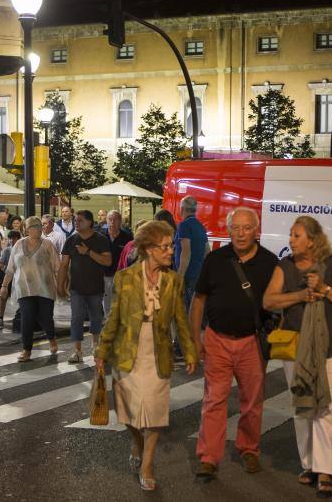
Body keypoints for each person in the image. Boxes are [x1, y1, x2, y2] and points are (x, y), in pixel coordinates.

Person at [95, 221, 198, 491]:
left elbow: (180, 319)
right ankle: (136, 441)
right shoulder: (125, 278)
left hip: (158, 355)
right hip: (128, 353)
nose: (170, 250)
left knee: (154, 412)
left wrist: (189, 350)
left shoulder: (174, 280)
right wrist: (102, 350)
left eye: (171, 245)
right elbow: (113, 316)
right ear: (149, 249)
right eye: (165, 246)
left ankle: (148, 464)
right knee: (127, 412)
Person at [263, 216, 332, 498]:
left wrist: (325, 289)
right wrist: (301, 295)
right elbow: (268, 301)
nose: (290, 240)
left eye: (297, 236)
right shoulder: (286, 267)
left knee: (326, 407)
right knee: (304, 407)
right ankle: (309, 465)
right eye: (291, 235)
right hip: (296, 347)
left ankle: (325, 469)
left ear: (313, 240)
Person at [191, 207, 278, 482]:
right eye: (235, 228)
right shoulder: (215, 260)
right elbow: (199, 300)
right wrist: (195, 338)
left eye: (246, 227)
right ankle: (208, 457)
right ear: (228, 230)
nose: (240, 233)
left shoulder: (269, 262)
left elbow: (278, 303)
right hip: (217, 339)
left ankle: (248, 448)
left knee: (252, 402)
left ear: (256, 230)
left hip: (251, 341)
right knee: (214, 400)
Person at [1, 218, 59, 362]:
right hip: (24, 288)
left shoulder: (48, 244)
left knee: (45, 317)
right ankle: (26, 350)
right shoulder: (19, 244)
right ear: (26, 229)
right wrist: (4, 286)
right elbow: (10, 268)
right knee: (27, 319)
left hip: (45, 288)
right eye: (34, 226)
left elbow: (57, 268)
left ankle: (51, 338)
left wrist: (63, 285)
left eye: (40, 226)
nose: (38, 228)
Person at [58, 210, 112, 363]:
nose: (76, 222)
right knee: (76, 319)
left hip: (95, 287)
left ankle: (95, 345)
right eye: (75, 220)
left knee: (96, 317)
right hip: (76, 288)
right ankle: (77, 350)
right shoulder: (71, 240)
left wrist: (88, 252)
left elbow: (107, 261)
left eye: (80, 220)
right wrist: (60, 285)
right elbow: (63, 265)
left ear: (89, 222)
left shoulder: (100, 240)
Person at [175, 196, 209, 311]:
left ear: (182, 209)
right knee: (197, 309)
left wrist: (179, 276)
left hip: (188, 275)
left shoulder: (183, 226)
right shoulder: (201, 226)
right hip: (198, 273)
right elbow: (207, 251)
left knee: (186, 310)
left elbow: (186, 252)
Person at [101, 210, 132, 317]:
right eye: (110, 219)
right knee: (107, 302)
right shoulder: (101, 236)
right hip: (104, 275)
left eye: (115, 219)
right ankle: (108, 324)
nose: (112, 222)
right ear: (106, 221)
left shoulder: (127, 237)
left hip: (121, 276)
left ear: (120, 221)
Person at [0, 230, 21, 327]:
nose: (11, 241)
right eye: (10, 238)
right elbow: (1, 264)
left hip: (19, 277)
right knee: (3, 297)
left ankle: (20, 316)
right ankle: (0, 317)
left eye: (14, 238)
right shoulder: (7, 250)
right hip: (8, 276)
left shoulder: (21, 249)